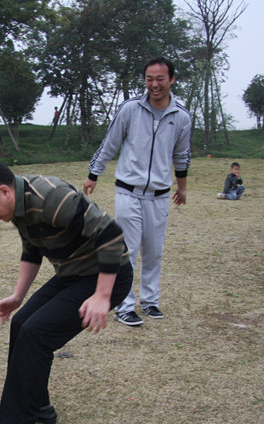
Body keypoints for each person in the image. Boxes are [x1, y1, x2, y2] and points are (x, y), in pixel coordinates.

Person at [0, 159, 133, 424]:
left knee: (36, 333)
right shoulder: (19, 205)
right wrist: (18, 296)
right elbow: (32, 249)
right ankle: (37, 406)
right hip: (73, 274)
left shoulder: (53, 197)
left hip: (106, 275)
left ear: (4, 192)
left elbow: (111, 234)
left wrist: (102, 295)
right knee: (21, 323)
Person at [85, 56, 192, 326]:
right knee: (128, 251)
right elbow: (110, 142)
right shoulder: (130, 109)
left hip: (159, 195)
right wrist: (93, 174)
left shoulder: (181, 117)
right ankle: (124, 305)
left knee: (154, 251)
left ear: (171, 80)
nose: (154, 84)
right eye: (149, 79)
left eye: (160, 78)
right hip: (128, 192)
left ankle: (150, 301)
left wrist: (182, 188)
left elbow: (181, 155)